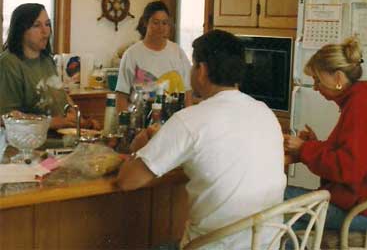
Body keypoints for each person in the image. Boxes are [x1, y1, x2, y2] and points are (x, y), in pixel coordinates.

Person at [116, 30, 287, 249]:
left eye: (194, 65)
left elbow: (127, 181)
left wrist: (138, 149)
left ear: (202, 70)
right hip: (267, 244)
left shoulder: (190, 120)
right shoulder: (265, 112)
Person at [284, 37, 367, 231]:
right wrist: (315, 145)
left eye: (317, 80)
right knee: (280, 213)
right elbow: (352, 155)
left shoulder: (360, 108)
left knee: (270, 199)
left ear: (337, 78)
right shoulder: (360, 101)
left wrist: (304, 148)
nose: (315, 87)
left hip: (362, 212)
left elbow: (348, 169)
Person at [0, 3, 98, 130]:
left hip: (65, 140)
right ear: (21, 30)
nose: (45, 31)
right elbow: (5, 117)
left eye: (47, 24)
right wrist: (52, 122)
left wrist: (80, 121)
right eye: (36, 25)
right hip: (32, 145)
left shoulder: (46, 59)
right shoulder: (9, 64)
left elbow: (60, 93)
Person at [115, 0, 192, 112]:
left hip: (174, 120)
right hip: (140, 120)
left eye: (165, 23)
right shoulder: (132, 54)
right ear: (146, 23)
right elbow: (122, 95)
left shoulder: (178, 52)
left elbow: (187, 92)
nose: (160, 27)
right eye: (156, 22)